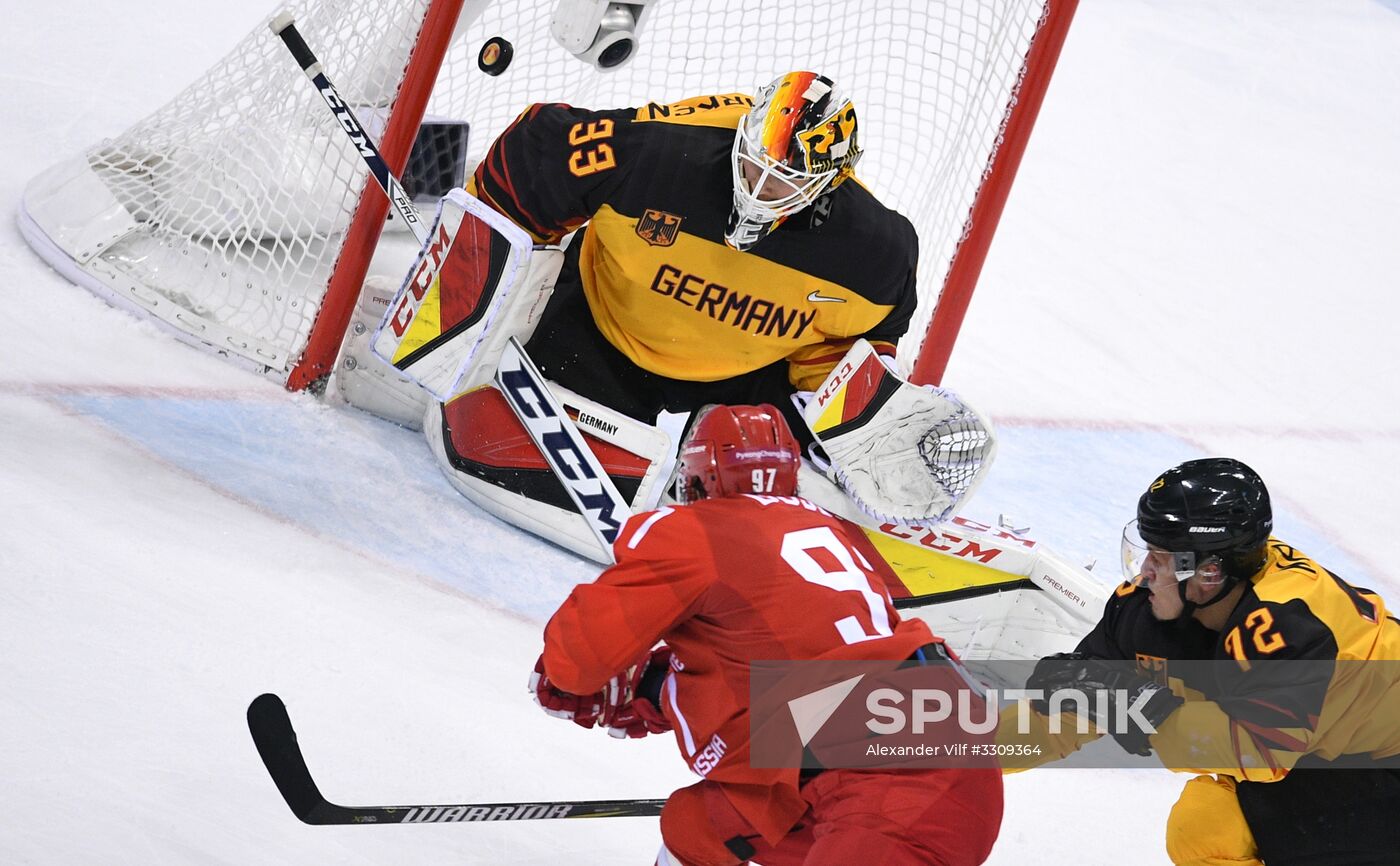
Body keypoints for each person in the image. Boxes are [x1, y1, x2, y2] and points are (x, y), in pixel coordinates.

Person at [529, 404, 1003, 866]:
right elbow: (786, 671)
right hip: (924, 751)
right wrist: (658, 689)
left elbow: (576, 664)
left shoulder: (696, 531)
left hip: (896, 788)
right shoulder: (822, 527)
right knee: (699, 826)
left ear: (697, 476)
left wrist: (595, 677)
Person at [1017, 458, 1400, 865]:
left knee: (1209, 829)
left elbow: (1260, 753)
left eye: (1159, 559)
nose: (1144, 573)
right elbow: (1074, 710)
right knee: (1209, 824)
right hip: (1333, 759)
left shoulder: (1289, 625)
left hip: (1381, 767)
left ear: (1209, 572)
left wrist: (1142, 709)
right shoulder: (1147, 608)